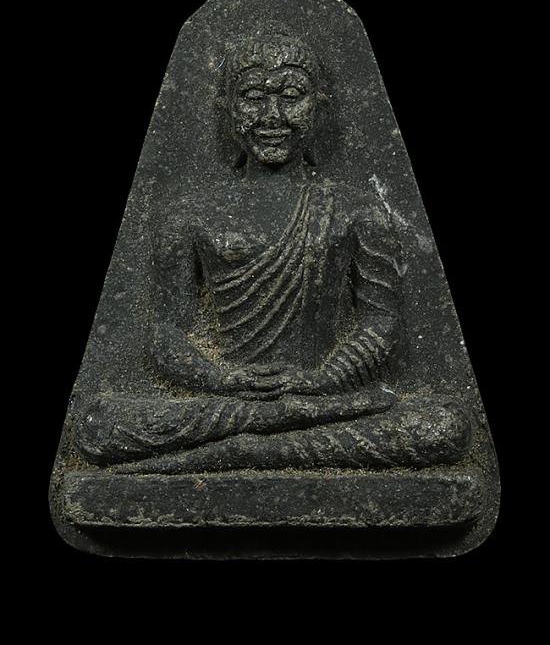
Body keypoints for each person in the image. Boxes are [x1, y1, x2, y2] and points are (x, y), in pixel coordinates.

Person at [76, 33, 472, 473]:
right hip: (233, 403)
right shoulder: (189, 216)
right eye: (253, 97)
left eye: (291, 95)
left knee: (446, 426)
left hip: (322, 398)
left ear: (319, 107)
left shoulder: (356, 211)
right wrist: (221, 379)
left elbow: (381, 324)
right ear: (227, 108)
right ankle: (273, 439)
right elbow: (167, 333)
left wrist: (320, 381)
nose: (272, 116)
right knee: (98, 425)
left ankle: (248, 451)